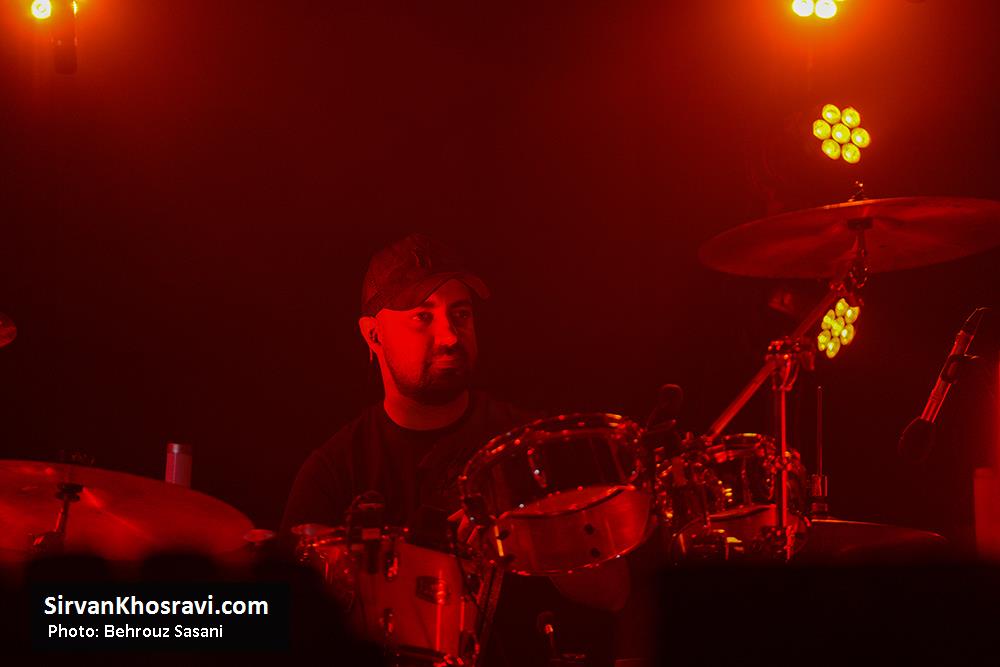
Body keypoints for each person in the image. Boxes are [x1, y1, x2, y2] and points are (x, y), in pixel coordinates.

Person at [281, 232, 630, 666]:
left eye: (460, 314)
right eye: (422, 317)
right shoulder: (335, 471)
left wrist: (532, 532)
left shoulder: (533, 446)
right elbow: (285, 623)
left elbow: (614, 593)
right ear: (373, 335)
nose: (449, 335)